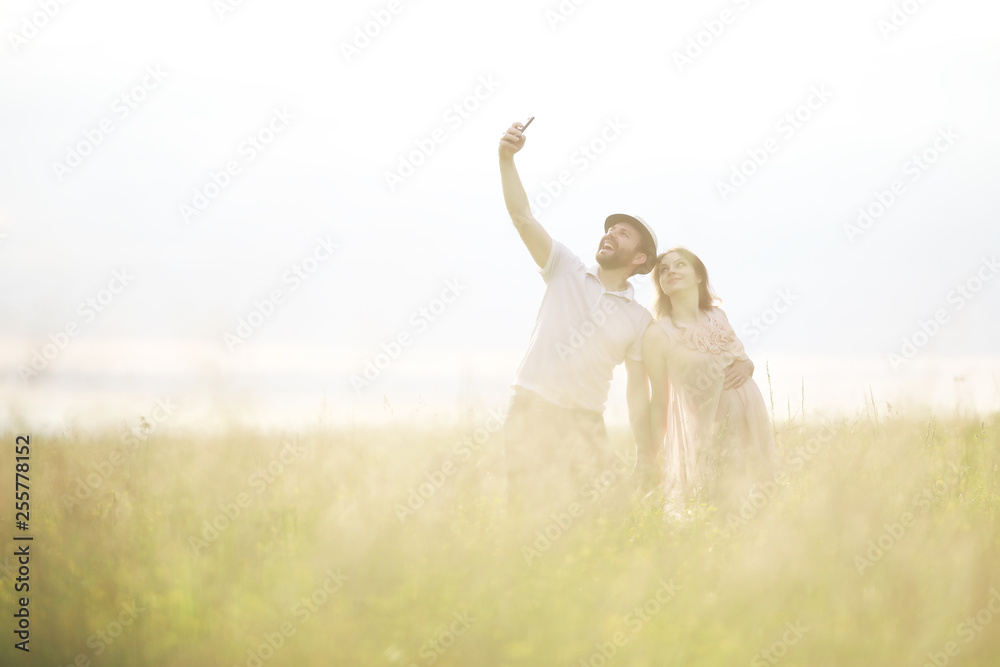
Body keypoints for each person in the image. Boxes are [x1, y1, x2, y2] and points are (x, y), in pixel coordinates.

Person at [497, 119, 657, 515]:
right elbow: (523, 217)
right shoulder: (564, 267)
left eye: (622, 234)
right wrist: (505, 160)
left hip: (585, 422)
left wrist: (644, 452)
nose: (610, 234)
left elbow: (638, 391)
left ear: (639, 259)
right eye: (610, 229)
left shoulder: (639, 320)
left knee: (609, 517)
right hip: (530, 408)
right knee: (525, 513)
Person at [642, 248, 776, 510]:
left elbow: (740, 359)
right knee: (715, 507)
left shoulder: (718, 316)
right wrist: (651, 454)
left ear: (699, 276)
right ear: (660, 285)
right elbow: (659, 399)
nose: (670, 271)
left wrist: (748, 365)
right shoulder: (659, 334)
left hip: (750, 424)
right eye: (664, 270)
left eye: (680, 265)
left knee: (757, 505)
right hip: (709, 434)